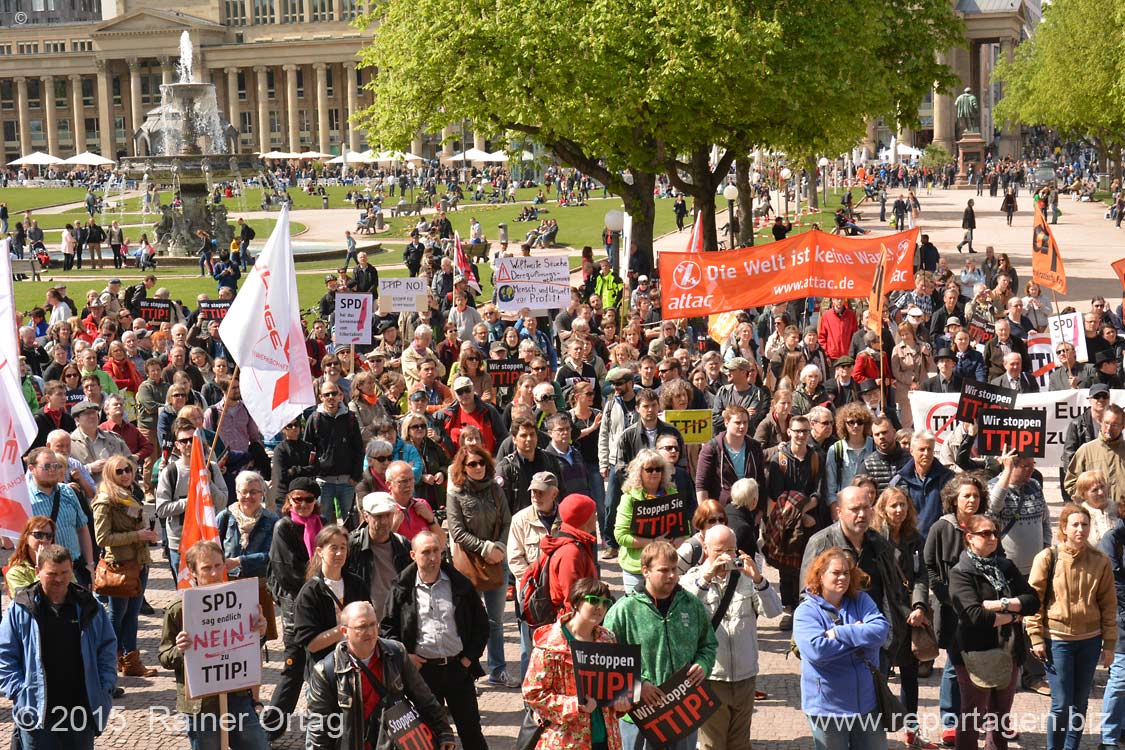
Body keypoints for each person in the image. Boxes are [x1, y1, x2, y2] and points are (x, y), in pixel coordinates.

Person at [0, 544, 118, 750]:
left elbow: (106, 649)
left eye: (64, 572)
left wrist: (105, 685)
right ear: (38, 572)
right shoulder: (20, 609)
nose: (59, 579)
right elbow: (4, 655)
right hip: (36, 713)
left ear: (72, 568)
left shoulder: (89, 607)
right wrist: (19, 691)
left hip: (80, 710)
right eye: (52, 573)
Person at [381, 530, 490, 750]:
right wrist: (406, 657)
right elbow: (387, 629)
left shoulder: (460, 584)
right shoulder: (401, 587)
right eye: (426, 552)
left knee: (471, 730)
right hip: (423, 674)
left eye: (436, 551)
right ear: (413, 555)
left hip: (458, 669)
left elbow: (481, 624)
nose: (432, 558)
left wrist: (468, 658)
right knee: (430, 734)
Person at [604, 541, 717, 750]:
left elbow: (708, 644)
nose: (672, 575)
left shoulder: (691, 604)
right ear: (645, 571)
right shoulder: (623, 611)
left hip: (683, 712)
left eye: (674, 569)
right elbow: (607, 661)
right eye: (664, 570)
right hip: (640, 717)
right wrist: (637, 686)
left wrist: (703, 664)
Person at [160, 540, 270, 750]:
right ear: (192, 572)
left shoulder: (243, 600)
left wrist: (260, 632)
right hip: (201, 704)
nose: (214, 573)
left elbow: (251, 646)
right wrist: (180, 650)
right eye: (206, 568)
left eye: (219, 565)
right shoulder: (179, 610)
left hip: (237, 695)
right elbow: (164, 656)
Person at [305, 601, 456, 750]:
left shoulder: (396, 653)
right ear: (345, 631)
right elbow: (318, 728)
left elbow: (423, 697)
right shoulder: (326, 671)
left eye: (373, 624)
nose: (370, 632)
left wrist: (444, 732)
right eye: (362, 626)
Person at [682, 524, 782, 750]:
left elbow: (774, 611)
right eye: (720, 550)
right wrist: (706, 580)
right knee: (713, 744)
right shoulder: (692, 579)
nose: (727, 556)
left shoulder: (746, 578)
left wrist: (759, 580)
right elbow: (683, 613)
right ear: (706, 549)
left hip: (745, 677)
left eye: (731, 549)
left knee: (740, 744)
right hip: (711, 678)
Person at [1028, 504, 1117, 750]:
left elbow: (1109, 605)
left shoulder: (1100, 561)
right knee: (1061, 703)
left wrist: (1109, 644)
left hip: (1089, 640)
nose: (1080, 529)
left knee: (1080, 702)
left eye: (1085, 524)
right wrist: (1035, 637)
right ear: (1063, 528)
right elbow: (1033, 602)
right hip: (1057, 640)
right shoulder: (1048, 557)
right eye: (1075, 524)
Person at [949, 513, 1040, 750]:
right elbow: (974, 616)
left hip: (1009, 652)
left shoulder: (1004, 565)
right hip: (975, 655)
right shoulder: (961, 572)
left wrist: (1002, 605)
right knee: (972, 716)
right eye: (985, 533)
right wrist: (1013, 615)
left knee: (1000, 716)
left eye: (995, 533)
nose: (992, 538)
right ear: (969, 538)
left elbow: (1033, 601)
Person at [793, 547, 890, 750]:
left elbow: (881, 632)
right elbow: (817, 651)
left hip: (866, 704)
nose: (842, 578)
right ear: (820, 575)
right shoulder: (806, 611)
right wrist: (860, 635)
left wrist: (840, 633)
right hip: (828, 708)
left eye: (846, 572)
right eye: (836, 573)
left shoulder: (862, 600)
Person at [523, 577, 631, 750]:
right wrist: (575, 705)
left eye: (605, 602)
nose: (600, 607)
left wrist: (622, 704)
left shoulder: (608, 638)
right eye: (593, 600)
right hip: (565, 742)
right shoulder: (550, 644)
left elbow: (614, 688)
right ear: (576, 603)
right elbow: (533, 694)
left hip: (606, 739)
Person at [873, 487, 937, 748]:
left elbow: (922, 575)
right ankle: (876, 734)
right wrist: (906, 612)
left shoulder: (914, 537)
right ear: (883, 509)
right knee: (880, 678)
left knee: (910, 678)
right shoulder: (876, 539)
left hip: (912, 617)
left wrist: (920, 605)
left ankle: (913, 731)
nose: (899, 511)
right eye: (893, 506)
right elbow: (883, 584)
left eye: (902, 505)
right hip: (887, 617)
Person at [446, 445, 514, 687]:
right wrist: (484, 548)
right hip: (470, 563)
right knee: (467, 621)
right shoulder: (456, 492)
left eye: (480, 463)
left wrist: (499, 548)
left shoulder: (495, 488)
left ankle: (499, 669)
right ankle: (469, 673)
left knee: (495, 621)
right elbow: (456, 530)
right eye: (471, 464)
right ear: (462, 467)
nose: (477, 468)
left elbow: (507, 520)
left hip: (497, 560)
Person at [924, 473, 985, 743]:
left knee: (979, 664)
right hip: (951, 609)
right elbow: (929, 566)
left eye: (975, 495)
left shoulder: (985, 525)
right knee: (953, 664)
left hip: (981, 608)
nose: (971, 500)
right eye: (966, 496)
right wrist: (946, 598)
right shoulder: (942, 527)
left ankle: (976, 718)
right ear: (954, 499)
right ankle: (950, 721)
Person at [263, 476, 324, 737]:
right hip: (296, 609)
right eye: (297, 499)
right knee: (293, 670)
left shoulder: (323, 525)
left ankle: (324, 729)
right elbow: (287, 573)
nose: (303, 504)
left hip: (322, 607)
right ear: (289, 500)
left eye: (308, 499)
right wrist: (319, 585)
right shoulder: (284, 527)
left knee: (321, 671)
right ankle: (270, 730)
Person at [92, 453, 161, 678]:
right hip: (119, 564)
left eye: (128, 470)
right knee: (117, 615)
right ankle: (109, 661)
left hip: (139, 561)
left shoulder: (131, 494)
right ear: (110, 474)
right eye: (119, 471)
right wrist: (137, 535)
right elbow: (102, 538)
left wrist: (146, 535)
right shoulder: (105, 501)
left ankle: (130, 661)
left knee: (132, 614)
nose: (125, 475)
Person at [293, 524, 370, 688]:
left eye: (343, 547)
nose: (340, 553)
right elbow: (311, 645)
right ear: (320, 552)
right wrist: (345, 628)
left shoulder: (356, 584)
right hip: (325, 675)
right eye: (333, 548)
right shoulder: (309, 593)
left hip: (358, 668)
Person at [156, 419, 229, 578]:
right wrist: (191, 501)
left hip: (208, 538)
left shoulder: (211, 467)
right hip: (180, 542)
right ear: (177, 445)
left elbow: (223, 501)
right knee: (186, 595)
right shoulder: (170, 472)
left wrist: (209, 482)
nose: (189, 444)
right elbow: (161, 509)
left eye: (192, 439)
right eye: (184, 441)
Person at [216, 470, 279, 640]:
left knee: (257, 637)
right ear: (237, 493)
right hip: (228, 587)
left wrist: (239, 561)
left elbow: (271, 556)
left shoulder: (272, 520)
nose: (248, 496)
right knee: (228, 635)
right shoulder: (225, 517)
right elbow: (213, 548)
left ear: (262, 494)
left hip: (258, 587)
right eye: (244, 491)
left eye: (254, 492)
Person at [25, 447, 95, 587]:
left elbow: (82, 528)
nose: (53, 470)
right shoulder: (25, 498)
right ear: (32, 468)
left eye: (56, 465)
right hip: (46, 573)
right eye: (46, 466)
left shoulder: (67, 491)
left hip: (76, 569)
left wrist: (90, 564)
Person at [615, 449, 681, 590]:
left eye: (659, 469)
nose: (655, 473)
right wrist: (653, 543)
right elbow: (621, 536)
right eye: (649, 469)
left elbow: (683, 528)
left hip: (666, 566)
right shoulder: (629, 498)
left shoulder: (673, 494)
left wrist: (677, 542)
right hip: (636, 568)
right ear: (639, 472)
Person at [304, 381, 364, 525]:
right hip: (323, 482)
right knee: (322, 523)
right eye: (326, 394)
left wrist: (355, 476)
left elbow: (358, 448)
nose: (331, 397)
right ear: (321, 397)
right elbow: (307, 450)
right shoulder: (314, 419)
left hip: (347, 481)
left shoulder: (350, 418)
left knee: (351, 523)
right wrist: (312, 477)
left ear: (340, 396)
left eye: (334, 393)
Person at [696, 404, 767, 506]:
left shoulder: (754, 447)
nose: (742, 426)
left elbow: (761, 481)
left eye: (745, 422)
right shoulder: (711, 448)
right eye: (737, 423)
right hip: (722, 509)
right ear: (726, 422)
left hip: (749, 508)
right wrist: (707, 513)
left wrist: (760, 510)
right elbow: (701, 485)